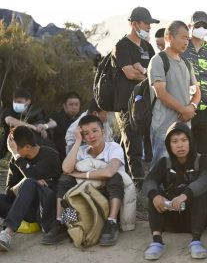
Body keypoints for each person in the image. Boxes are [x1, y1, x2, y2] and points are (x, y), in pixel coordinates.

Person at [41, 115, 126, 246]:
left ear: (103, 132)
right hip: (84, 195)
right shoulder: (81, 150)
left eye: (95, 131)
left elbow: (109, 172)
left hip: (108, 194)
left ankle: (112, 222)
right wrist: (77, 142)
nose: (91, 136)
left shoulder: (113, 147)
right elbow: (66, 168)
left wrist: (82, 175)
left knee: (115, 177)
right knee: (65, 178)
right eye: (86, 133)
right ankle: (60, 222)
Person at [142, 122, 207, 260]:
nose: (180, 145)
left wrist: (185, 195)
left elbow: (205, 180)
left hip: (197, 218)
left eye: (184, 140)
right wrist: (155, 196)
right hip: (170, 221)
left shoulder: (203, 160)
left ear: (190, 141)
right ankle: (157, 241)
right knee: (155, 193)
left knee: (202, 193)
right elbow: (149, 181)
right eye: (174, 141)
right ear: (169, 145)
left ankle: (196, 241)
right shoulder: (164, 162)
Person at [113, 6, 158, 188]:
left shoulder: (148, 46)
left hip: (146, 105)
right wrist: (145, 74)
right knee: (134, 147)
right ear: (134, 24)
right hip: (126, 105)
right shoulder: (121, 46)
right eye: (146, 23)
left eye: (150, 24)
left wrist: (143, 70)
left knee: (146, 146)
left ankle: (128, 180)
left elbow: (156, 74)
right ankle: (138, 188)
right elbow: (130, 74)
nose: (149, 27)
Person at [0, 126, 61, 251]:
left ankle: (7, 233)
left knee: (30, 182)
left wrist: (19, 159)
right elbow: (9, 193)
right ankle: (11, 223)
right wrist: (23, 182)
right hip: (20, 208)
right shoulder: (15, 159)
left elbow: (33, 176)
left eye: (14, 149)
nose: (13, 152)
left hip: (41, 210)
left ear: (27, 147)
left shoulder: (50, 155)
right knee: (28, 182)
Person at [148, 21, 200, 166]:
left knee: (182, 170)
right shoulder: (158, 60)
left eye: (188, 39)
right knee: (160, 169)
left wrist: (192, 107)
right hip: (164, 128)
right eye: (183, 37)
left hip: (184, 129)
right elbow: (161, 93)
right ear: (170, 37)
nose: (186, 42)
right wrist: (183, 110)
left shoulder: (186, 63)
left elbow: (197, 91)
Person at [182, 11, 207, 164]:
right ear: (190, 26)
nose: (201, 28)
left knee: (204, 151)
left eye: (205, 26)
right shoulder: (182, 47)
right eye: (198, 25)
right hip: (185, 107)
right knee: (184, 148)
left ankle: (203, 183)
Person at [0, 88, 57, 158]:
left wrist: (44, 126)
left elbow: (53, 123)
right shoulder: (9, 111)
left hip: (42, 148)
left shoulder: (37, 112)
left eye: (19, 102)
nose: (16, 104)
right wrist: (33, 127)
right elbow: (9, 120)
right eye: (15, 101)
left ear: (28, 101)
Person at [52, 92, 81, 161]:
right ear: (64, 106)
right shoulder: (57, 119)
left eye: (76, 105)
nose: (74, 107)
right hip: (61, 153)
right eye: (71, 104)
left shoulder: (81, 118)